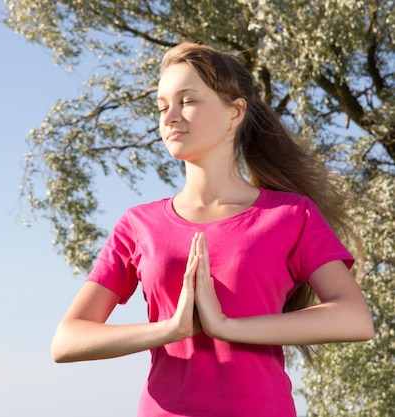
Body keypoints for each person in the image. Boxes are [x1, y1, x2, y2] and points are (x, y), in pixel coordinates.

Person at [50, 42, 374, 417]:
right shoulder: (139, 224)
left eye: (187, 101)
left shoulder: (290, 215)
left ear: (235, 112)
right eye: (161, 106)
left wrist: (225, 326)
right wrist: (171, 329)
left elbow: (355, 318)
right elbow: (67, 340)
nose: (169, 116)